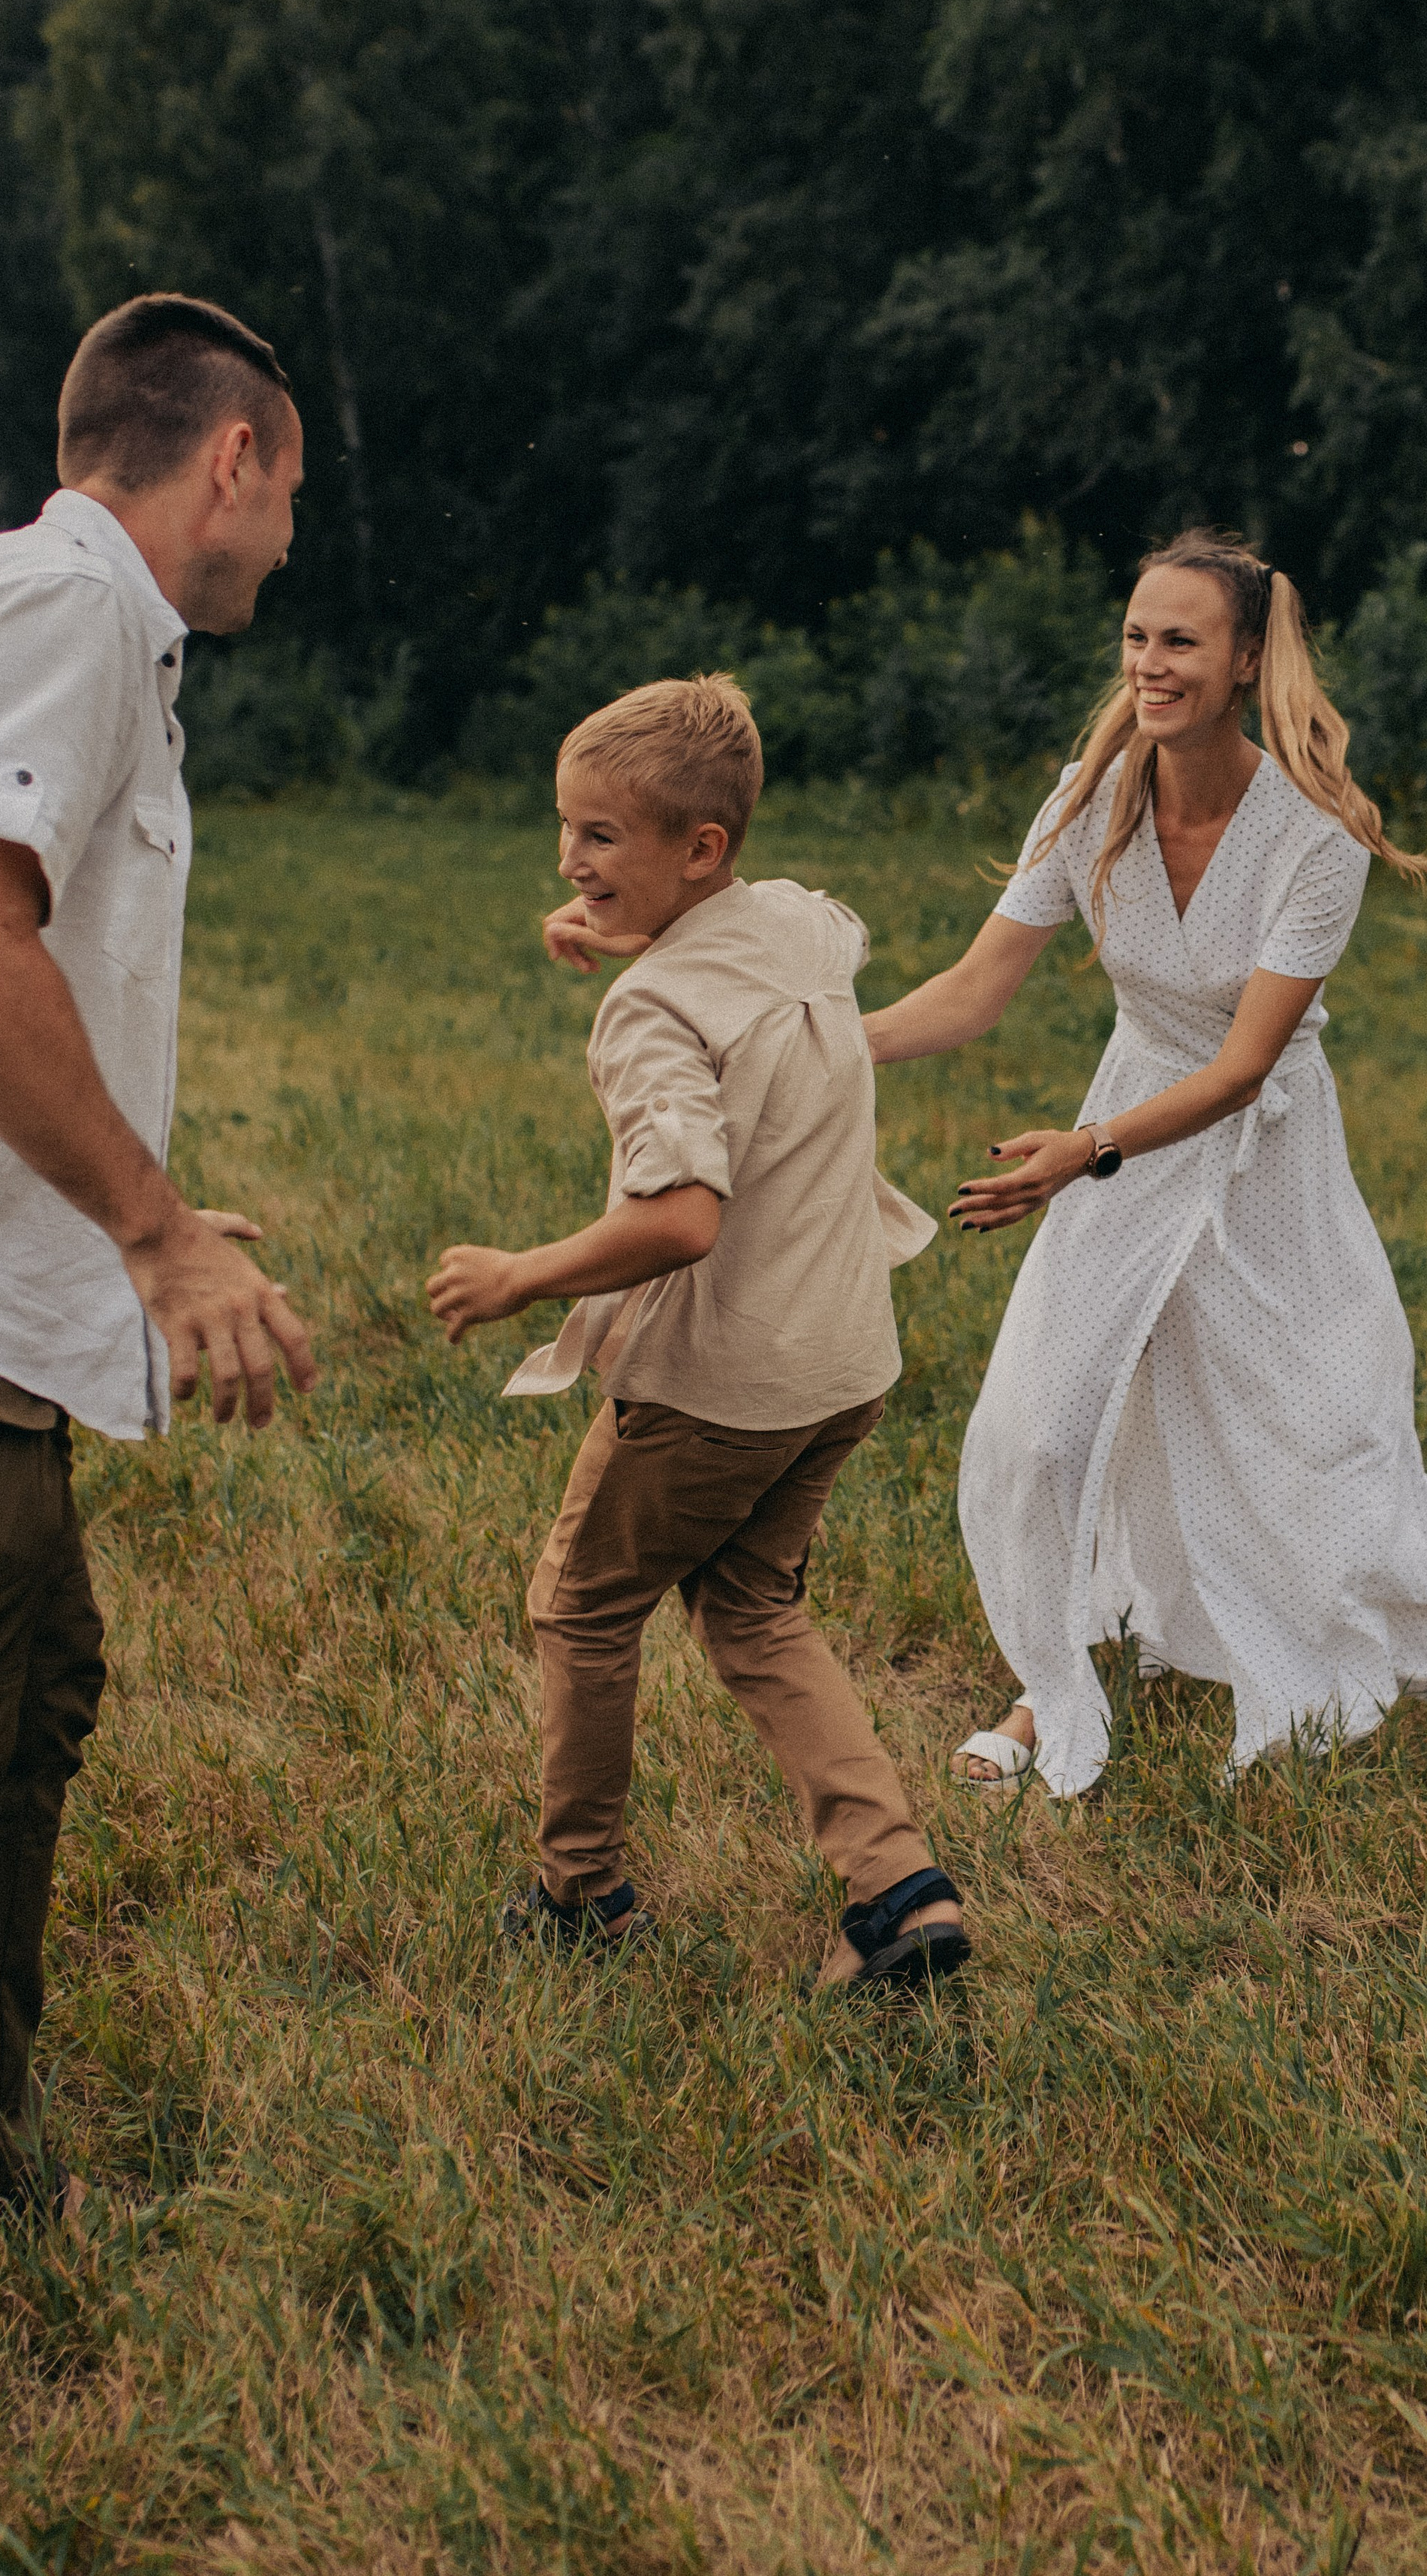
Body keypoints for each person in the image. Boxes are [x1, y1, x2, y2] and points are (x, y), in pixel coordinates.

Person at [865, 528, 1427, 1801]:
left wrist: (1082, 1155)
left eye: (1181, 639)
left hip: (1257, 1148)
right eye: (1137, 635)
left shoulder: (1317, 832)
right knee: (1042, 1425)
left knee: (1325, 1438)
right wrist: (826, 1049)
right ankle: (1054, 1676)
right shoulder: (1091, 802)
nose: (1150, 661)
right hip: (1128, 1113)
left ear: (1246, 661)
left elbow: (1246, 1063)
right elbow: (974, 990)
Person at [426, 674, 970, 1992]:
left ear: (700, 850)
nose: (570, 857)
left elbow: (680, 1217)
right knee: (753, 1609)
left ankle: (580, 1892)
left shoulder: (651, 1014)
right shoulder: (791, 925)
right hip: (841, 1366)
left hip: (714, 1388)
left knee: (583, 1607)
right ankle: (901, 1891)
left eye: (602, 835)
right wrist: (642, 936)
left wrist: (521, 1276)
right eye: (569, 828)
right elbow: (752, 968)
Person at [0, 294, 319, 2220]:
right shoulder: (73, 609)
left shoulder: (73, 619)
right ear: (232, 455)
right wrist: (154, 1230)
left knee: (41, 1698)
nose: (288, 541)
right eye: (291, 494)